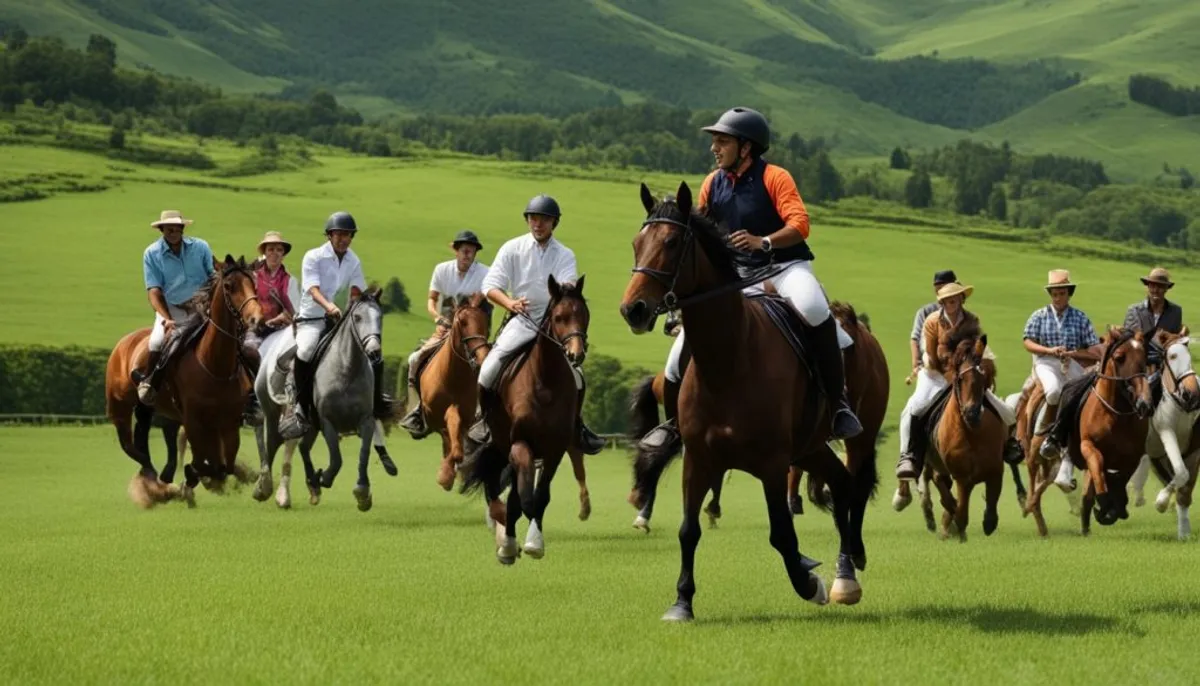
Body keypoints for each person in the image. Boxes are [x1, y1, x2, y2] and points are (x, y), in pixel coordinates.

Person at [640, 106, 861, 454]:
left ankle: (837, 406)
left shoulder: (776, 177)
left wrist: (765, 241)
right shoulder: (712, 183)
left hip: (785, 267)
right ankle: (672, 424)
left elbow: (800, 224)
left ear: (746, 147)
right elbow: (699, 237)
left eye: (722, 142)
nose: (714, 148)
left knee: (815, 308)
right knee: (676, 356)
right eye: (714, 142)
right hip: (739, 278)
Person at [466, 194, 606, 456]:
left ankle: (577, 426)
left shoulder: (565, 254)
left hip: (554, 320)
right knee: (489, 368)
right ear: (528, 221)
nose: (538, 224)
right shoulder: (512, 248)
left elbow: (567, 286)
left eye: (544, 219)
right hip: (523, 317)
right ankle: (482, 421)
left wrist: (564, 296)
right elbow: (489, 286)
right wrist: (509, 303)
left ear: (554, 223)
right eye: (533, 218)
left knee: (577, 377)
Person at [278, 211, 390, 440]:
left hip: (339, 321)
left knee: (371, 352)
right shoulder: (313, 257)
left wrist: (360, 306)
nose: (343, 239)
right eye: (338, 234)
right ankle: (299, 406)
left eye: (347, 235)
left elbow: (357, 291)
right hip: (312, 320)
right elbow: (312, 288)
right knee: (306, 350)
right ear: (329, 236)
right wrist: (329, 307)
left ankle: (374, 404)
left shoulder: (353, 260)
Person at [895, 281, 1022, 480]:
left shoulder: (972, 320)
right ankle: (908, 456)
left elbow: (976, 350)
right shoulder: (932, 321)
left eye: (954, 298)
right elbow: (933, 355)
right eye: (946, 300)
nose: (950, 302)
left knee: (1006, 411)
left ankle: (1009, 444)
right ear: (942, 302)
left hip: (964, 373)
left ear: (962, 298)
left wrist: (977, 374)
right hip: (935, 373)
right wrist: (951, 377)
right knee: (915, 407)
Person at [398, 229, 491, 438]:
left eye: (472, 251)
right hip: (445, 329)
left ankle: (486, 416)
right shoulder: (441, 270)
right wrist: (436, 317)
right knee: (414, 359)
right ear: (456, 251)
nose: (468, 255)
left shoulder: (485, 272)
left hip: (473, 334)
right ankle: (417, 410)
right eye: (465, 250)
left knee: (491, 367)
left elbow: (481, 298)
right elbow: (432, 300)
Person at [1023, 270, 1103, 489]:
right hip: (1046, 362)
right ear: (1051, 294)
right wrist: (1049, 350)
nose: (1058, 298)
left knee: (1084, 396)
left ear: (1069, 294)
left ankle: (1078, 437)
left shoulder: (1080, 317)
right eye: (1055, 294)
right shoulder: (1039, 315)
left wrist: (1073, 353)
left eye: (1062, 293)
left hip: (1072, 362)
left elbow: (1094, 349)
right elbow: (1028, 342)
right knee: (1054, 391)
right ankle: (1046, 434)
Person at [132, 210, 215, 404]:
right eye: (168, 228)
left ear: (182, 228)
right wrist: (166, 318)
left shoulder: (201, 247)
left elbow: (213, 277)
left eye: (177, 227)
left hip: (202, 307)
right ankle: (150, 382)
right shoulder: (151, 253)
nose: (173, 231)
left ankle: (249, 392)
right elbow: (153, 290)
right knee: (156, 342)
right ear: (161, 229)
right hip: (171, 308)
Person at [240, 231, 302, 422]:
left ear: (283, 254)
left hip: (279, 331)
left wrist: (281, 318)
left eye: (279, 249)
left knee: (292, 358)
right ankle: (250, 398)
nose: (274, 253)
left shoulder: (290, 281)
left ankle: (293, 405)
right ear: (264, 252)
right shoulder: (253, 277)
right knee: (245, 352)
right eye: (271, 249)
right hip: (255, 329)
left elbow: (296, 312)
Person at [910, 270, 959, 380]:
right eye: (938, 290)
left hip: (959, 370)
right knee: (919, 398)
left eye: (944, 289)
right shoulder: (926, 312)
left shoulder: (965, 316)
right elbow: (915, 338)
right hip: (931, 371)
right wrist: (916, 365)